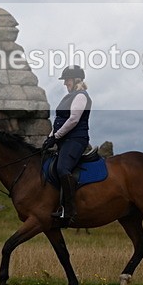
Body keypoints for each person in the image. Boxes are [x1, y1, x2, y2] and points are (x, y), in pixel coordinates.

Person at [43, 65, 92, 223]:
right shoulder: (69, 97)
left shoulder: (81, 96)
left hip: (76, 140)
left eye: (67, 80)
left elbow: (73, 120)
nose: (65, 83)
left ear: (76, 79)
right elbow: (59, 121)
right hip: (65, 139)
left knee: (62, 168)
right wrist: (49, 138)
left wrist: (56, 136)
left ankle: (70, 210)